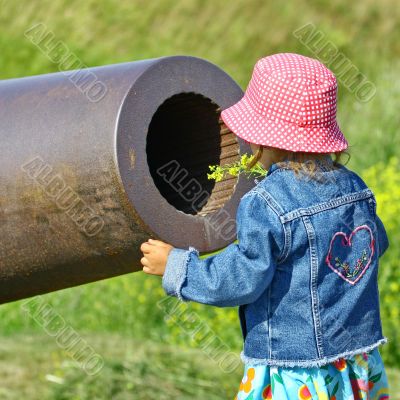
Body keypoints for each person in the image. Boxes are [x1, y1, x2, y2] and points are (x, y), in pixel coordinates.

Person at [139, 53, 390, 399]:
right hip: (355, 363)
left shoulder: (266, 204)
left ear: (264, 138)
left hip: (296, 371)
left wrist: (178, 269)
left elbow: (243, 278)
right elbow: (376, 243)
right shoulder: (355, 189)